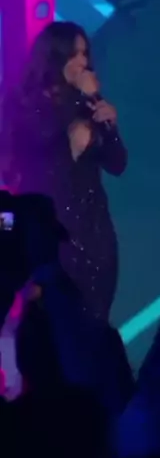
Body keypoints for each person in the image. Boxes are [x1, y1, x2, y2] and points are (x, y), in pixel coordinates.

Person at [2, 21, 127, 320]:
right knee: (50, 328)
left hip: (94, 232)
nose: (83, 62)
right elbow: (36, 152)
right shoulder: (24, 104)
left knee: (94, 324)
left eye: (85, 53)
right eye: (74, 54)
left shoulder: (87, 105)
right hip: (49, 233)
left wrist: (109, 126)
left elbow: (117, 164)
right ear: (55, 56)